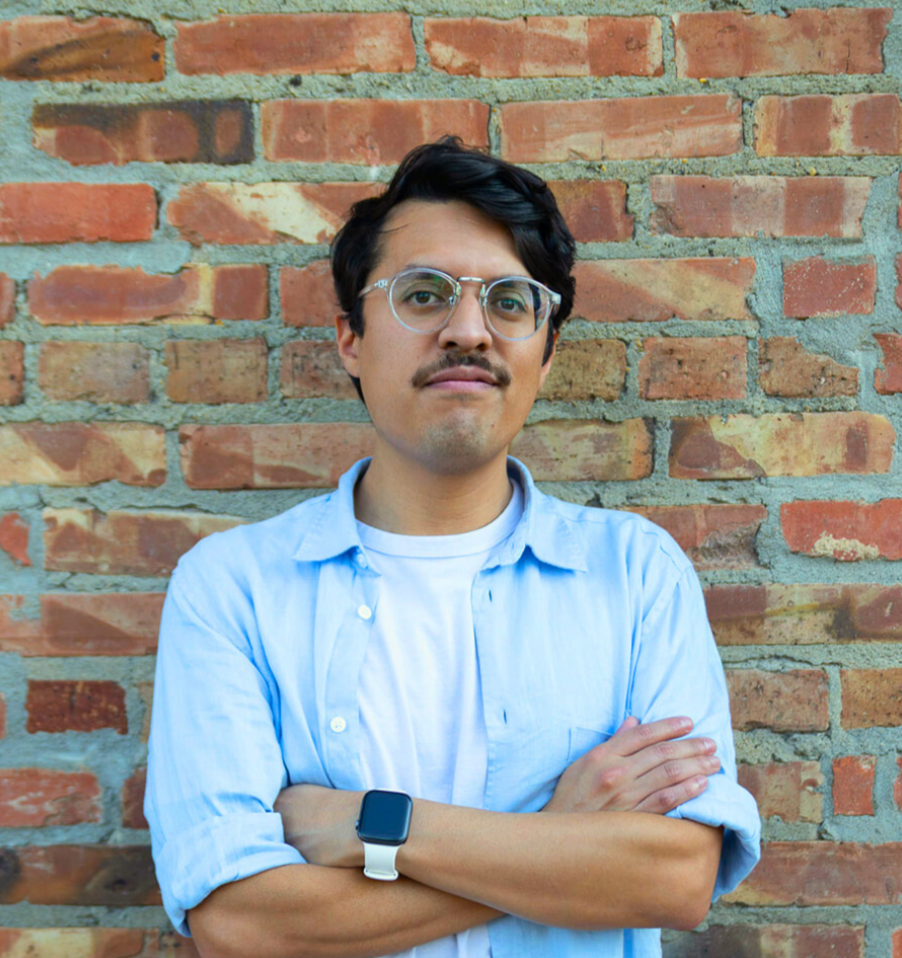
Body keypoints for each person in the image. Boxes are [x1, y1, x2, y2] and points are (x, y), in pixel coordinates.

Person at [144, 136, 760, 958]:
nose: (468, 329)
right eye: (424, 295)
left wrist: (370, 826)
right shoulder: (232, 588)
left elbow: (677, 878)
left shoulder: (636, 573)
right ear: (351, 338)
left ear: (546, 349)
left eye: (510, 302)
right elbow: (240, 923)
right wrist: (559, 838)